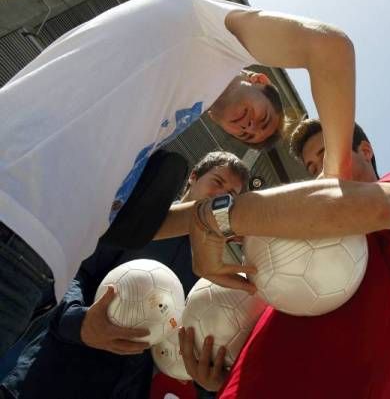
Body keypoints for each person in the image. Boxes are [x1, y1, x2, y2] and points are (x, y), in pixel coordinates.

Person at [0, 0, 356, 355]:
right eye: (260, 116)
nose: (249, 126)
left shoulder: (161, 113)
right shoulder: (207, 31)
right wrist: (334, 182)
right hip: (15, 216)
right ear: (259, 80)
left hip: (35, 269)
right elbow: (329, 46)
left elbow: (132, 227)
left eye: (248, 134)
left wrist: (214, 222)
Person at [173, 119, 390, 398]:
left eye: (327, 155)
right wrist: (222, 380)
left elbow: (384, 208)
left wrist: (221, 218)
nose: (321, 173)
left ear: (366, 150)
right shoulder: (298, 249)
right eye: (312, 168)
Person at [0, 151, 249, 399]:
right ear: (194, 177)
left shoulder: (213, 274)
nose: (220, 197)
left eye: (230, 196)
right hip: (52, 374)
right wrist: (81, 322)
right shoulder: (135, 219)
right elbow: (73, 272)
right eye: (217, 183)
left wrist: (208, 384)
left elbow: (193, 343)